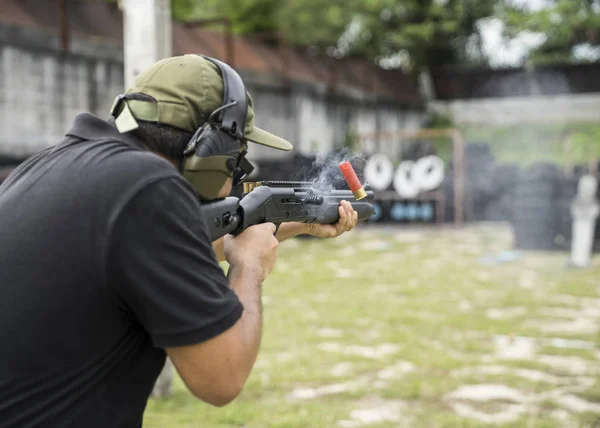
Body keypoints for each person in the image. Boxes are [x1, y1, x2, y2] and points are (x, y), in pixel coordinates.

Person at [0, 54, 358, 427]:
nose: (234, 177)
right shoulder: (149, 186)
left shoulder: (55, 166)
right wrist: (248, 266)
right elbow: (222, 377)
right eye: (236, 162)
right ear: (210, 151)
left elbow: (166, 251)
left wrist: (291, 224)